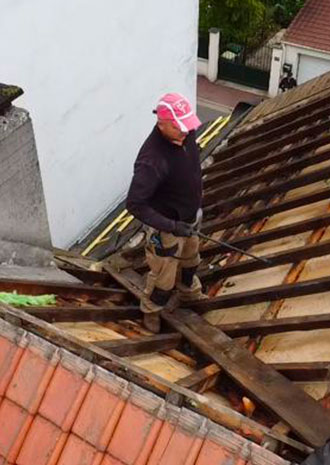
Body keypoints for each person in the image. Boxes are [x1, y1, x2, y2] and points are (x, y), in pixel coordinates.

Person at [126, 93, 206, 333]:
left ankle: (189, 292)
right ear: (162, 124)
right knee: (164, 277)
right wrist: (171, 226)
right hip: (167, 228)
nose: (186, 132)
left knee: (191, 260)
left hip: (191, 218)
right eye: (179, 127)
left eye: (187, 125)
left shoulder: (186, 133)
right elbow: (135, 204)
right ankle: (151, 310)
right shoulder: (151, 160)